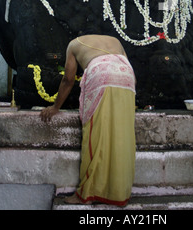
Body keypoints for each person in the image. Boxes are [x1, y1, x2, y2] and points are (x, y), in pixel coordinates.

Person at [40, 33, 136, 206]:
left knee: (96, 135)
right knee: (121, 134)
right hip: (127, 75)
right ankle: (119, 192)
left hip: (101, 73)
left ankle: (87, 192)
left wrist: (55, 107)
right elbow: (127, 64)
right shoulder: (114, 40)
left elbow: (68, 80)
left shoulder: (74, 44)